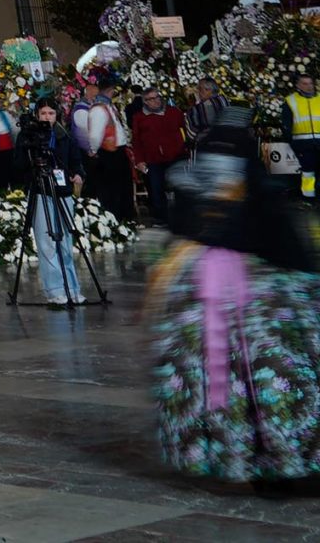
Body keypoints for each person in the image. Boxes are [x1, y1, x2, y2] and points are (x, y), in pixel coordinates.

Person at [148, 119, 320, 481]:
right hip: (252, 298)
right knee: (265, 376)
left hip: (210, 292)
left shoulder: (194, 190)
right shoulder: (257, 192)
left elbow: (179, 228)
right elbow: (286, 246)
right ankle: (274, 455)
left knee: (220, 376)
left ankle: (227, 454)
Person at [20, 92, 91, 308]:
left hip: (63, 192)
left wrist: (78, 174)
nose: (47, 117)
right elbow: (19, 164)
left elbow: (76, 161)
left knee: (66, 243)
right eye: (43, 113)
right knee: (47, 243)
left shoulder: (63, 135)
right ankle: (55, 291)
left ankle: (72, 288)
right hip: (41, 192)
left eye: (51, 113)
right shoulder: (28, 136)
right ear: (37, 115)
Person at [74, 78, 135, 221]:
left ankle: (125, 218)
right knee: (112, 190)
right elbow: (95, 136)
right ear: (111, 91)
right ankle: (116, 219)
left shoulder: (107, 107)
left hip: (117, 152)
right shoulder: (98, 109)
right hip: (108, 154)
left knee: (122, 188)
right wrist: (94, 150)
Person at [129, 85, 188, 225]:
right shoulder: (139, 117)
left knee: (180, 187)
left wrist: (186, 149)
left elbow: (185, 130)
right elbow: (136, 141)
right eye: (151, 99)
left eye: (157, 97)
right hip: (153, 158)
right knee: (156, 189)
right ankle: (161, 218)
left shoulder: (174, 112)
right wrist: (139, 160)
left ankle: (184, 216)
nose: (156, 101)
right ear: (145, 102)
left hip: (176, 156)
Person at [288, 71, 320, 200]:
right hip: (302, 143)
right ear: (298, 85)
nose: (309, 86)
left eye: (310, 83)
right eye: (305, 84)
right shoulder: (291, 101)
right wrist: (291, 142)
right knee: (308, 172)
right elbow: (287, 124)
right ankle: (308, 198)